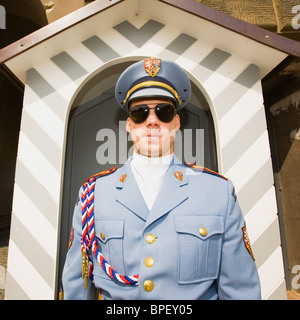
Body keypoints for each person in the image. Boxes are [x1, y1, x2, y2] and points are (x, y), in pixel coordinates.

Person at [61, 57, 261, 300]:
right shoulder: (92, 195)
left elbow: (241, 291)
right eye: (140, 112)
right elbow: (76, 288)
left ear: (176, 122)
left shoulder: (218, 193)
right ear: (129, 125)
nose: (152, 120)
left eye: (164, 111)